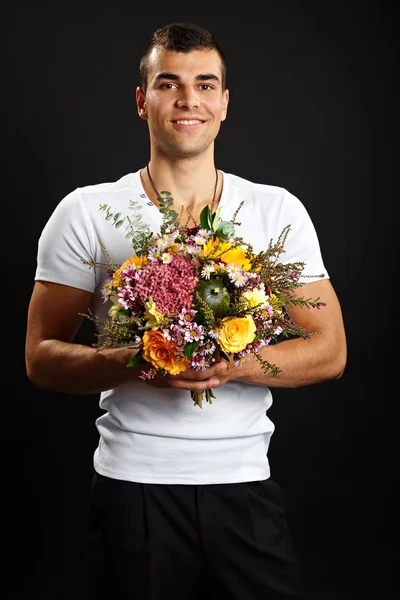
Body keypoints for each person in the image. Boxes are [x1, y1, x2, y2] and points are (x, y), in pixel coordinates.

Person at [25, 22, 347, 600]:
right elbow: (41, 358)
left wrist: (234, 363)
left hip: (244, 487)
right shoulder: (86, 212)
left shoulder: (277, 211)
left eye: (205, 84)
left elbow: (330, 350)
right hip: (133, 488)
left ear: (224, 102)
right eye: (169, 83)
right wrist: (143, 359)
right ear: (142, 100)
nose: (188, 99)